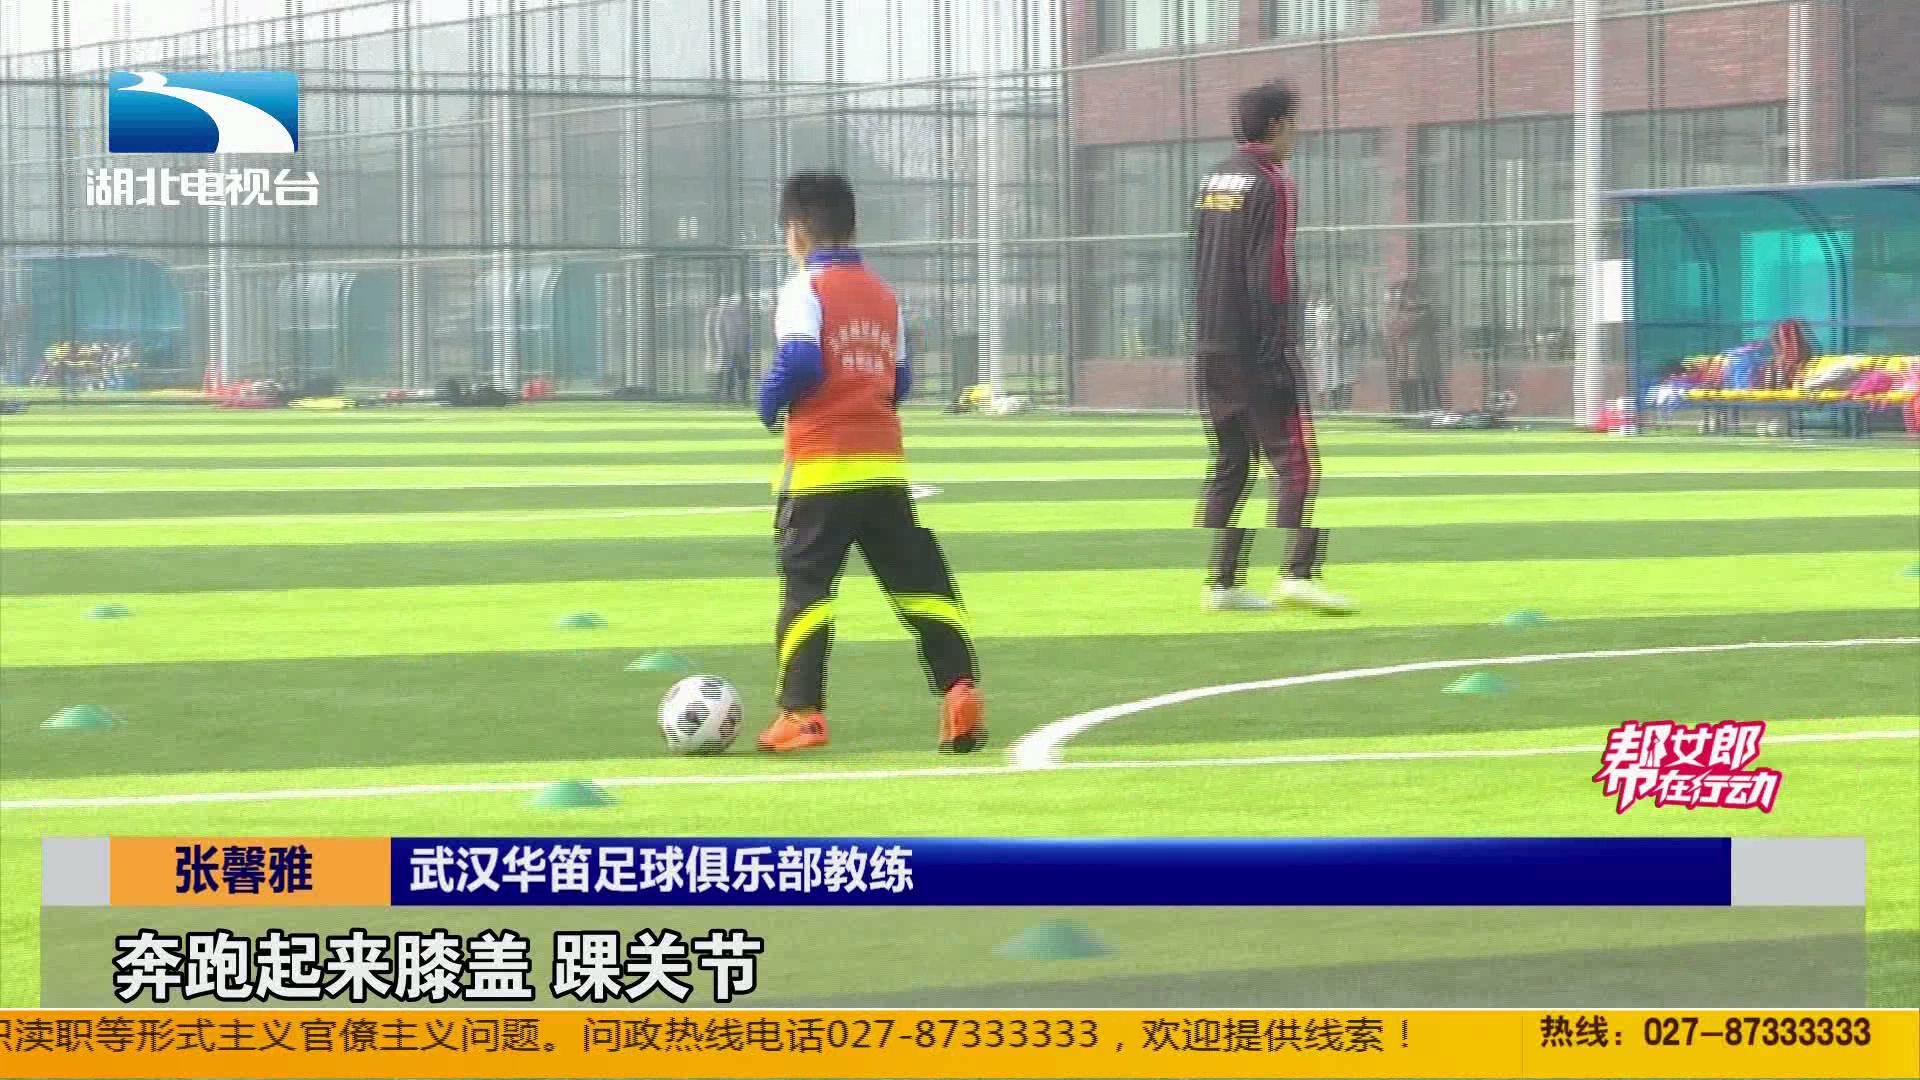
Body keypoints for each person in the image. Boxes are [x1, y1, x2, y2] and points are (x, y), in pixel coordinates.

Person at [754, 171, 985, 754]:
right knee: (920, 584)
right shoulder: (883, 294)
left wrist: (769, 400)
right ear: (852, 228)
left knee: (808, 591)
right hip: (883, 465)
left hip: (820, 467)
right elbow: (899, 381)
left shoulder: (802, 287)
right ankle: (960, 690)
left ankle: (801, 714)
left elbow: (800, 361)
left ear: (795, 233)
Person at [1190, 81, 1353, 615]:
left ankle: (1222, 585)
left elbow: (1201, 260)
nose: (1296, 136)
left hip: (1211, 342)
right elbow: (1273, 271)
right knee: (1297, 461)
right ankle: (1297, 575)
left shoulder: (1214, 178)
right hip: (1257, 345)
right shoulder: (1271, 182)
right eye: (1294, 124)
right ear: (1278, 124)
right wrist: (1277, 344)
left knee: (1232, 462)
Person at [707, 295, 752, 404]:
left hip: (740, 349)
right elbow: (718, 332)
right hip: (728, 349)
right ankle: (725, 394)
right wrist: (723, 348)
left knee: (742, 371)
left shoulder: (744, 315)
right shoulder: (722, 314)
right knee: (726, 370)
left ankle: (741, 394)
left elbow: (746, 332)